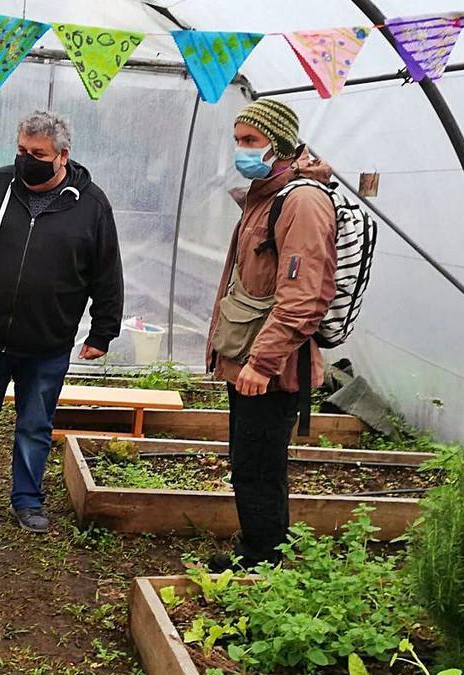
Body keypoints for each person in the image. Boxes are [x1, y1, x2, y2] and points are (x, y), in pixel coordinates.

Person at [0, 110, 124, 534]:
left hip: (47, 342)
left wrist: (103, 330)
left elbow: (106, 271)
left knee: (35, 425)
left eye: (37, 153)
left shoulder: (91, 204)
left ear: (62, 156)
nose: (25, 159)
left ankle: (27, 501)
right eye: (21, 150)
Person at [205, 99, 337, 568]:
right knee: (251, 461)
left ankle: (262, 561)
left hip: (273, 366)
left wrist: (262, 362)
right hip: (250, 357)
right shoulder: (266, 195)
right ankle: (260, 551)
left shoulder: (301, 202)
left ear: (278, 144)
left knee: (259, 464)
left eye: (250, 141)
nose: (241, 150)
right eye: (237, 140)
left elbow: (304, 298)